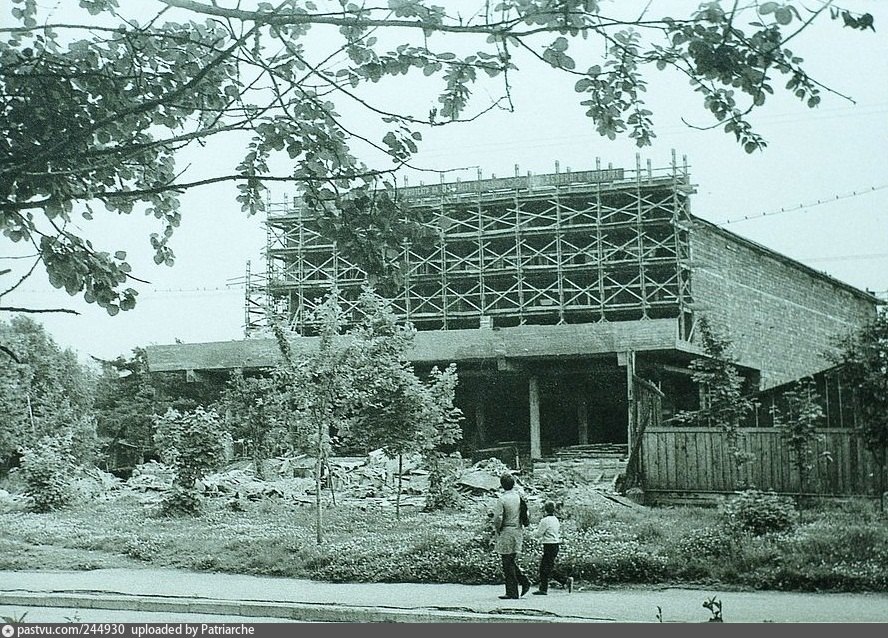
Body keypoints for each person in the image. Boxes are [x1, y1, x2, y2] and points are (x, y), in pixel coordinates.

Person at [492, 472, 531, 599]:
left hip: (507, 530)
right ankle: (523, 581)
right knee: (510, 560)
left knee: (506, 562)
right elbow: (527, 514)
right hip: (518, 530)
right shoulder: (519, 497)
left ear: (502, 485)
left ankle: (512, 591)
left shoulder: (502, 499)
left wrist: (498, 530)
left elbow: (498, 517)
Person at [532, 501, 573, 595]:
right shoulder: (555, 519)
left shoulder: (545, 520)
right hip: (555, 544)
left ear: (545, 509)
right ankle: (545, 588)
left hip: (548, 545)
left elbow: (539, 534)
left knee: (544, 568)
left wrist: (534, 533)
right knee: (548, 567)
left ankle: (565, 580)